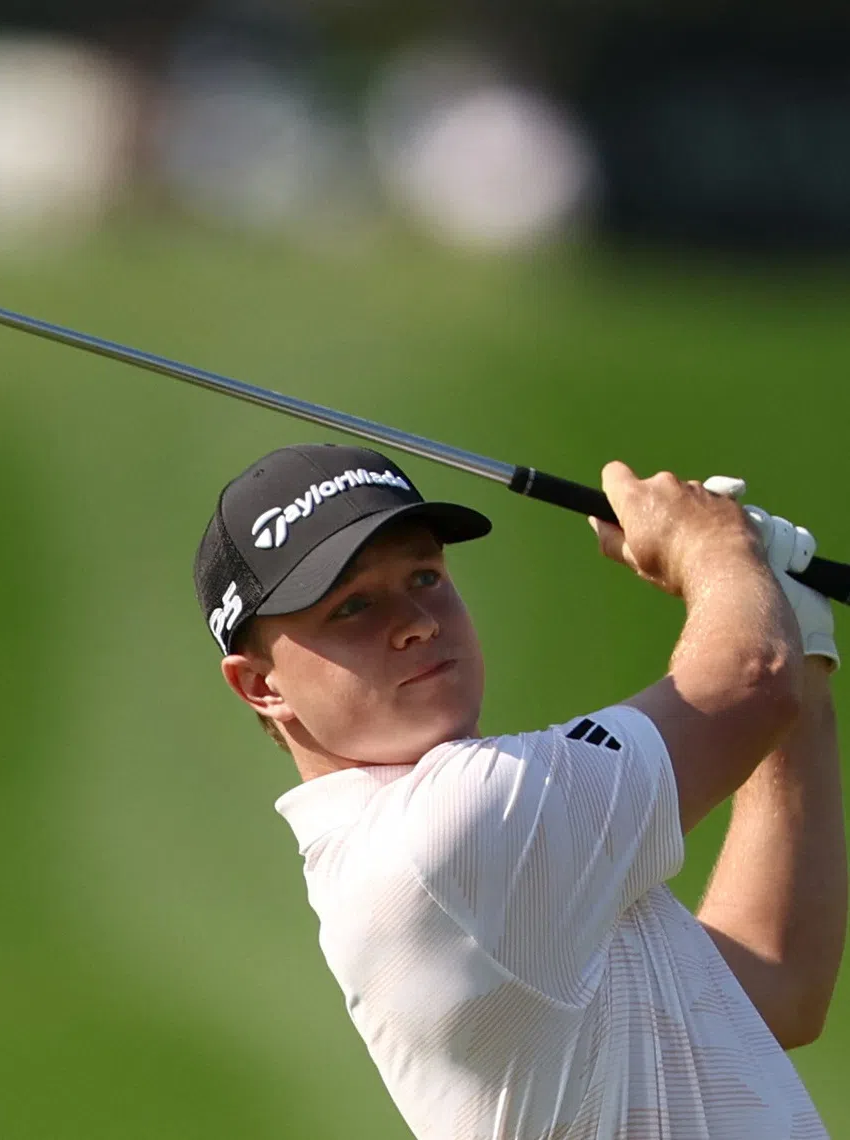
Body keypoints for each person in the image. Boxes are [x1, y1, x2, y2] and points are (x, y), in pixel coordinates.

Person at [193, 441, 844, 1140]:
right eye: (352, 608)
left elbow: (774, 989)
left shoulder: (495, 856)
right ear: (261, 686)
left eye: (424, 575)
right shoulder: (442, 836)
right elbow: (751, 678)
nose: (417, 622)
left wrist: (791, 629)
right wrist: (716, 549)